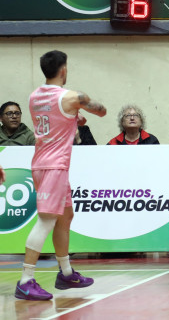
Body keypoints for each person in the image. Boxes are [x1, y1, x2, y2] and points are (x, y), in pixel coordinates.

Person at [16, 50, 106, 300]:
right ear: (64, 70)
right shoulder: (73, 97)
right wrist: (83, 104)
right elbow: (102, 111)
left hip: (44, 163)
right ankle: (26, 280)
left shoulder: (34, 96)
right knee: (46, 220)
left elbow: (55, 119)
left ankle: (66, 273)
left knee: (66, 216)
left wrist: (73, 119)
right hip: (53, 166)